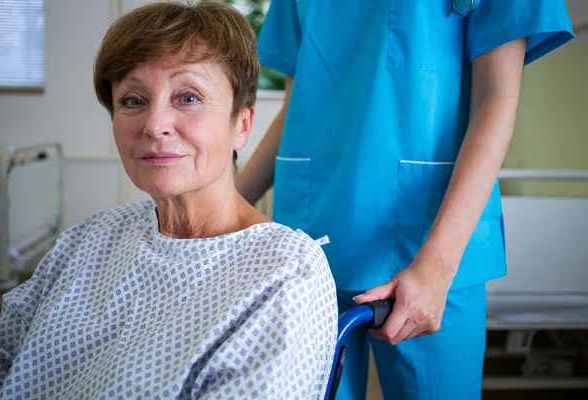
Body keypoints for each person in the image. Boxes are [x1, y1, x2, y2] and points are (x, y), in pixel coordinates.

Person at [0, 2, 338, 399]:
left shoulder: (284, 275)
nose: (154, 125)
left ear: (242, 123)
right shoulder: (89, 239)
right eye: (133, 101)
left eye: (188, 97)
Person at [235, 0, 574, 398]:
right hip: (311, 240)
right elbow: (298, 107)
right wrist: (220, 207)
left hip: (429, 242)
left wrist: (435, 271)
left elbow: (495, 101)